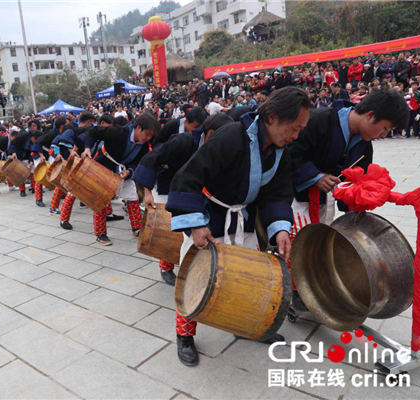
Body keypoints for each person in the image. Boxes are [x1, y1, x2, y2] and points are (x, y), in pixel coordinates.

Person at [165, 87, 311, 366]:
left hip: (243, 220)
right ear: (272, 117)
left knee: (247, 277)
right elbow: (188, 176)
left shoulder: (281, 150)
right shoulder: (232, 136)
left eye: (301, 130)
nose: (296, 136)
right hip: (211, 219)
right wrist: (196, 224)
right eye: (294, 128)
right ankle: (185, 335)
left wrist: (280, 228)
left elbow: (278, 193)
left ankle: (242, 325)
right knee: (193, 278)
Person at [288, 89, 409, 309]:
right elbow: (290, 153)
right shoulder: (319, 121)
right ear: (370, 115)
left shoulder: (364, 145)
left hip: (326, 202)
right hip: (296, 197)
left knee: (320, 242)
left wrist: (355, 208)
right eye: (385, 129)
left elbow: (357, 181)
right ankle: (295, 290)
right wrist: (315, 177)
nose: (384, 135)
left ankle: (312, 287)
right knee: (299, 242)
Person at [133, 113, 234, 285]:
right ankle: (166, 267)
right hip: (169, 185)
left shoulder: (219, 148)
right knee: (173, 231)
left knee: (190, 232)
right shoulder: (183, 142)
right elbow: (151, 159)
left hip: (194, 191)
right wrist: (147, 192)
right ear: (211, 134)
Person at [79, 113, 160, 245]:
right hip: (104, 168)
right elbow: (94, 131)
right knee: (101, 200)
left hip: (124, 172)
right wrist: (87, 148)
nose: (149, 138)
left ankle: (137, 228)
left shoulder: (144, 144)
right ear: (138, 127)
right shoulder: (118, 131)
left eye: (152, 135)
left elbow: (138, 162)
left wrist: (129, 171)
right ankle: (100, 234)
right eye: (147, 133)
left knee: (132, 197)